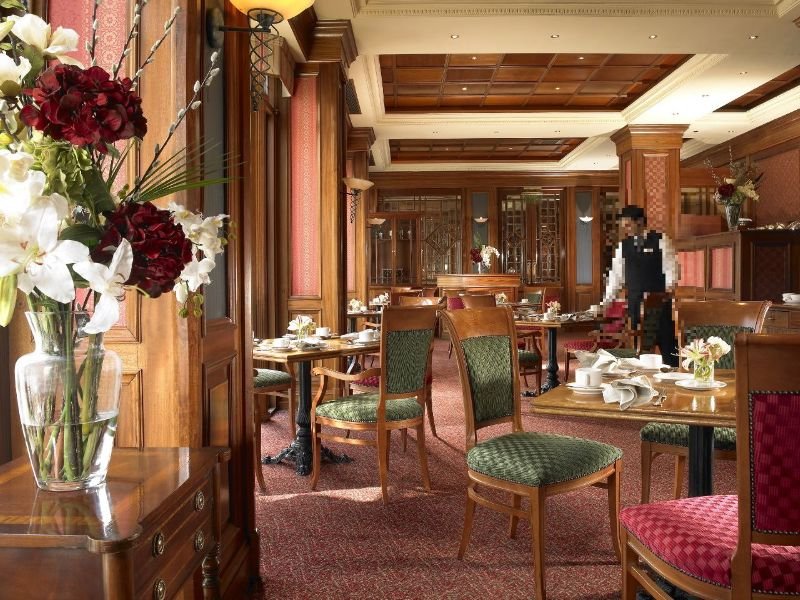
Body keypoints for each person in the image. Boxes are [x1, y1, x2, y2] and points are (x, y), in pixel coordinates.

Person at [602, 204, 679, 366]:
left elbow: (672, 271)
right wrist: (605, 303)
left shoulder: (661, 240)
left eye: (628, 224)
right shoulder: (623, 247)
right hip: (635, 306)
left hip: (659, 306)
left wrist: (666, 294)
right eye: (623, 226)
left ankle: (674, 374)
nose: (626, 229)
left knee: (668, 349)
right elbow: (615, 278)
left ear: (640, 222)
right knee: (641, 351)